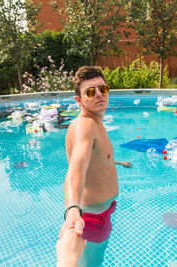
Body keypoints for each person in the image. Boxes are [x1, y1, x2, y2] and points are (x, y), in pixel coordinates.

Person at [59, 66, 132, 266]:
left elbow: (93, 159)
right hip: (91, 218)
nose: (99, 94)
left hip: (100, 212)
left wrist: (115, 161)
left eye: (103, 88)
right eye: (91, 91)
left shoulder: (95, 123)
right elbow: (76, 169)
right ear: (79, 100)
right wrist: (72, 209)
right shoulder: (86, 125)